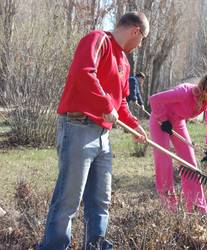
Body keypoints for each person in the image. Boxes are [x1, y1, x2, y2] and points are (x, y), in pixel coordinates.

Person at [38, 11, 149, 250]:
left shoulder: (125, 63)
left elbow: (119, 103)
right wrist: (104, 105)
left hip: (103, 137)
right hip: (79, 127)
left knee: (101, 201)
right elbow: (83, 72)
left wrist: (134, 126)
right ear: (135, 31)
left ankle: (96, 246)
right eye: (142, 40)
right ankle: (54, 246)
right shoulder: (98, 39)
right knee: (69, 199)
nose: (139, 45)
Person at [149, 73, 207, 214]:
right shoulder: (184, 92)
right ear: (204, 91)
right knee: (164, 161)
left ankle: (198, 209)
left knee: (190, 165)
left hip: (177, 122)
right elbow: (154, 100)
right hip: (160, 122)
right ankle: (169, 207)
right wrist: (162, 119)